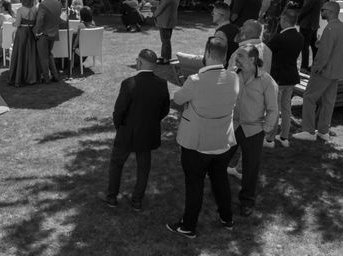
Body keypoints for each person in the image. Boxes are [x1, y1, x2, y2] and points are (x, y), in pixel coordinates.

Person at [166, 37, 239, 239]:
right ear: (224, 57)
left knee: (195, 184)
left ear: (207, 54)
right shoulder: (234, 78)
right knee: (220, 180)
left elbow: (178, 99)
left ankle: (188, 226)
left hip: (196, 143)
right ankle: (227, 218)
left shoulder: (195, 81)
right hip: (223, 142)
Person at [100, 49, 170, 210]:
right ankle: (137, 200)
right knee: (144, 167)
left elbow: (119, 111)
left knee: (116, 163)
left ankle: (111, 197)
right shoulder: (162, 83)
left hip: (127, 132)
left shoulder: (129, 83)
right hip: (148, 132)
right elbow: (164, 109)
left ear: (139, 62)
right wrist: (152, 122)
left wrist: (120, 127)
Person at [227, 45, 278, 217]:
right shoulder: (233, 75)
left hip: (254, 130)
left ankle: (247, 201)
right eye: (237, 55)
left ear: (252, 60)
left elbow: (273, 109)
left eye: (240, 56)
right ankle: (219, 192)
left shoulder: (266, 81)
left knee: (250, 169)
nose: (236, 58)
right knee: (219, 160)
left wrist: (266, 129)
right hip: (233, 127)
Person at [293, 1, 343, 142]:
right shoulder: (340, 27)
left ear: (331, 12)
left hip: (324, 71)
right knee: (328, 101)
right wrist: (319, 44)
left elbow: (325, 53)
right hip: (337, 73)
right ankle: (323, 131)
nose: (321, 12)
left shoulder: (330, 29)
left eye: (323, 10)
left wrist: (317, 68)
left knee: (309, 97)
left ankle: (308, 130)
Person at [266, 10, 304, 147]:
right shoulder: (300, 37)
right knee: (287, 109)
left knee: (275, 109)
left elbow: (266, 51)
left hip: (279, 78)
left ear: (284, 20)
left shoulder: (279, 38)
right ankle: (284, 137)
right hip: (292, 76)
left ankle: (269, 139)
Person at [8, 0, 41, 86]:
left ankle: (19, 77)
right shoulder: (36, 9)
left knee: (20, 54)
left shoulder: (20, 10)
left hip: (22, 32)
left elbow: (17, 24)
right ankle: (32, 77)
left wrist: (13, 23)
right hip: (31, 32)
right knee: (31, 54)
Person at [297, 0, 326, 72]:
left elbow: (305, 9)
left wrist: (298, 20)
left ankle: (304, 67)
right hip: (314, 24)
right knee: (314, 46)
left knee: (304, 46)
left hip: (306, 24)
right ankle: (315, 65)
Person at [34, 0, 63, 83]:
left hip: (44, 34)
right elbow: (59, 19)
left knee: (43, 57)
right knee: (49, 54)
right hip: (54, 33)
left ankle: (46, 78)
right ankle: (55, 76)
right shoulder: (58, 3)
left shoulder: (43, 4)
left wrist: (37, 32)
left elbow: (39, 20)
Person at [154, 0, 180, 64]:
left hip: (165, 20)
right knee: (165, 39)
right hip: (170, 20)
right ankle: (163, 56)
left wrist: (154, 14)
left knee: (165, 40)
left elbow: (161, 7)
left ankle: (166, 59)